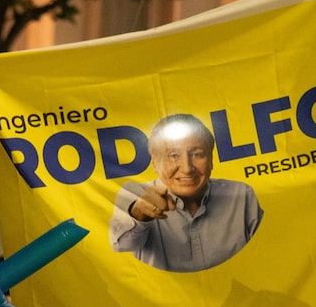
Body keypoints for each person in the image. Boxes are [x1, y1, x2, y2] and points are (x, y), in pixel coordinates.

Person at [109, 113, 263, 272]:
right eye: (173, 156)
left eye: (197, 154)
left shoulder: (242, 194)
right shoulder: (133, 193)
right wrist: (139, 213)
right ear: (155, 163)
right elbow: (122, 246)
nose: (187, 168)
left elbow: (263, 252)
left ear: (211, 159)